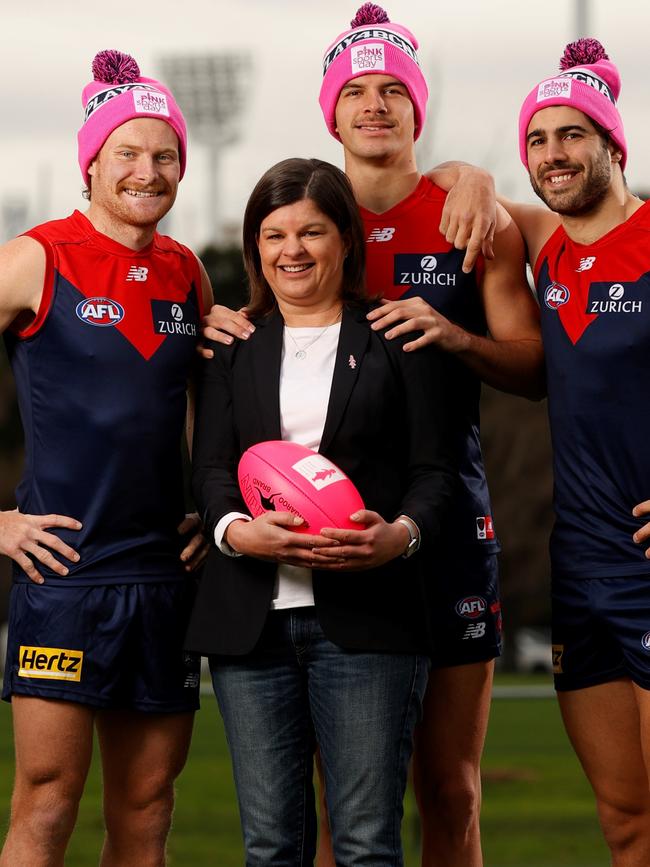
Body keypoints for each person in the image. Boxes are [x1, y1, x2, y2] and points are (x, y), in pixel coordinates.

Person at [203, 6, 544, 866]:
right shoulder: (307, 212)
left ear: (419, 107)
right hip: (311, 543)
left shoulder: (471, 210)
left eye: (395, 89)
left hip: (443, 522)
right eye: (355, 90)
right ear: (331, 112)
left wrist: (457, 332)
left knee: (449, 790)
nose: (376, 105)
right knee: (331, 803)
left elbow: (537, 366)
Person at [185, 156, 458, 867]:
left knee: (367, 841)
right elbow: (211, 469)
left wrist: (398, 536)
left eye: (311, 231)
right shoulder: (232, 345)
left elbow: (436, 472)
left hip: (369, 621)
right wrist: (236, 532)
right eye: (273, 235)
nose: (292, 250)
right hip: (252, 628)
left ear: (345, 240)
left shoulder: (398, 335)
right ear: (255, 249)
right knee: (271, 845)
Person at [0, 50, 213, 866]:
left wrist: (214, 507)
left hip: (165, 578)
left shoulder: (187, 272)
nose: (146, 171)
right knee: (47, 803)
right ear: (91, 161)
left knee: (147, 808)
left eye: (164, 156)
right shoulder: (37, 257)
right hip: (65, 575)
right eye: (127, 152)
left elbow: (210, 407)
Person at [501, 38, 650, 866]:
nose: (553, 155)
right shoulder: (549, 248)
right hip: (581, 571)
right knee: (625, 820)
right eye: (537, 139)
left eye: (572, 135)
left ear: (612, 144)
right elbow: (473, 194)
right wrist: (472, 175)